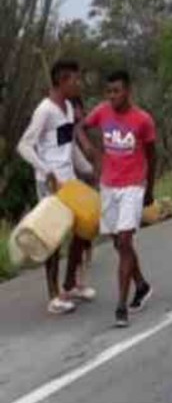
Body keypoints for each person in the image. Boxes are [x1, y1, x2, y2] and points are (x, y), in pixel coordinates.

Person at [17, 60, 95, 315]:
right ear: (62, 81)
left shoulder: (69, 109)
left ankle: (71, 284)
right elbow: (24, 146)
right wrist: (45, 170)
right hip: (50, 184)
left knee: (85, 228)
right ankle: (54, 297)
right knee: (52, 238)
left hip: (69, 180)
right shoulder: (45, 110)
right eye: (75, 80)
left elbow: (68, 145)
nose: (78, 84)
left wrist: (87, 169)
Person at [80, 71, 156, 328]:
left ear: (128, 91)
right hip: (108, 186)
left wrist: (150, 189)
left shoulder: (143, 120)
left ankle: (121, 305)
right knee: (118, 244)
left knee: (125, 239)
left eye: (117, 91)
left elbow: (152, 155)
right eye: (109, 92)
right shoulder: (102, 112)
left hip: (133, 186)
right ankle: (142, 284)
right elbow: (80, 126)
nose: (113, 96)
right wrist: (88, 147)